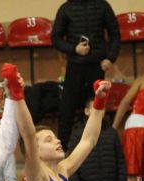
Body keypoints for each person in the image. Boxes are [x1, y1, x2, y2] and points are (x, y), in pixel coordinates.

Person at [52, 0, 121, 148]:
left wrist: (111, 58)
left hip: (97, 66)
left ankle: (98, 148)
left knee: (96, 109)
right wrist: (74, 49)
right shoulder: (66, 8)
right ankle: (62, 151)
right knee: (66, 111)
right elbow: (55, 39)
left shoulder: (102, 6)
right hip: (75, 66)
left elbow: (115, 34)